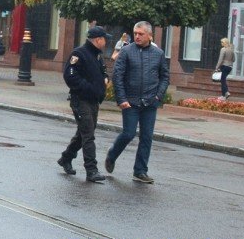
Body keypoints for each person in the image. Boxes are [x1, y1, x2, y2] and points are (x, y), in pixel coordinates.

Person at [105, 21, 169, 184]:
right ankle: (112, 154)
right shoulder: (126, 52)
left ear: (150, 35)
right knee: (129, 133)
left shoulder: (158, 54)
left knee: (146, 137)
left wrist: (158, 96)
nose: (137, 36)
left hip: (150, 102)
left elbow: (165, 77)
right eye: (135, 33)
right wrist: (121, 99)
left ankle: (140, 171)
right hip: (130, 102)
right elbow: (117, 76)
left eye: (141, 34)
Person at [58, 26, 111, 183]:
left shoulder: (97, 55)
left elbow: (103, 71)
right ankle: (91, 170)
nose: (106, 42)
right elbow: (70, 76)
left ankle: (66, 158)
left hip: (93, 100)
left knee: (83, 134)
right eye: (104, 39)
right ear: (98, 40)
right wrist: (88, 88)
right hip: (81, 100)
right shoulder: (79, 54)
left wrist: (105, 78)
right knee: (88, 134)